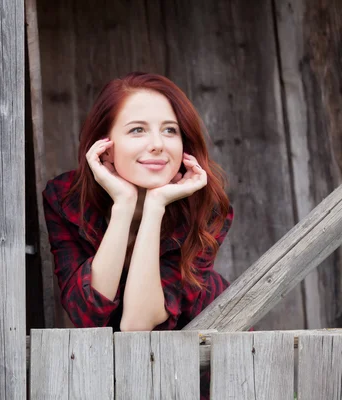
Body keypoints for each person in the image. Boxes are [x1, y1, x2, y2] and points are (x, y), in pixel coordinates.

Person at [42, 72, 233, 397]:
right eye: (137, 130)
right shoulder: (66, 199)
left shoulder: (206, 208)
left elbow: (138, 325)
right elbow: (87, 315)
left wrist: (156, 205)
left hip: (202, 375)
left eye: (170, 130)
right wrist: (124, 203)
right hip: (108, 377)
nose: (157, 144)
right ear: (105, 145)